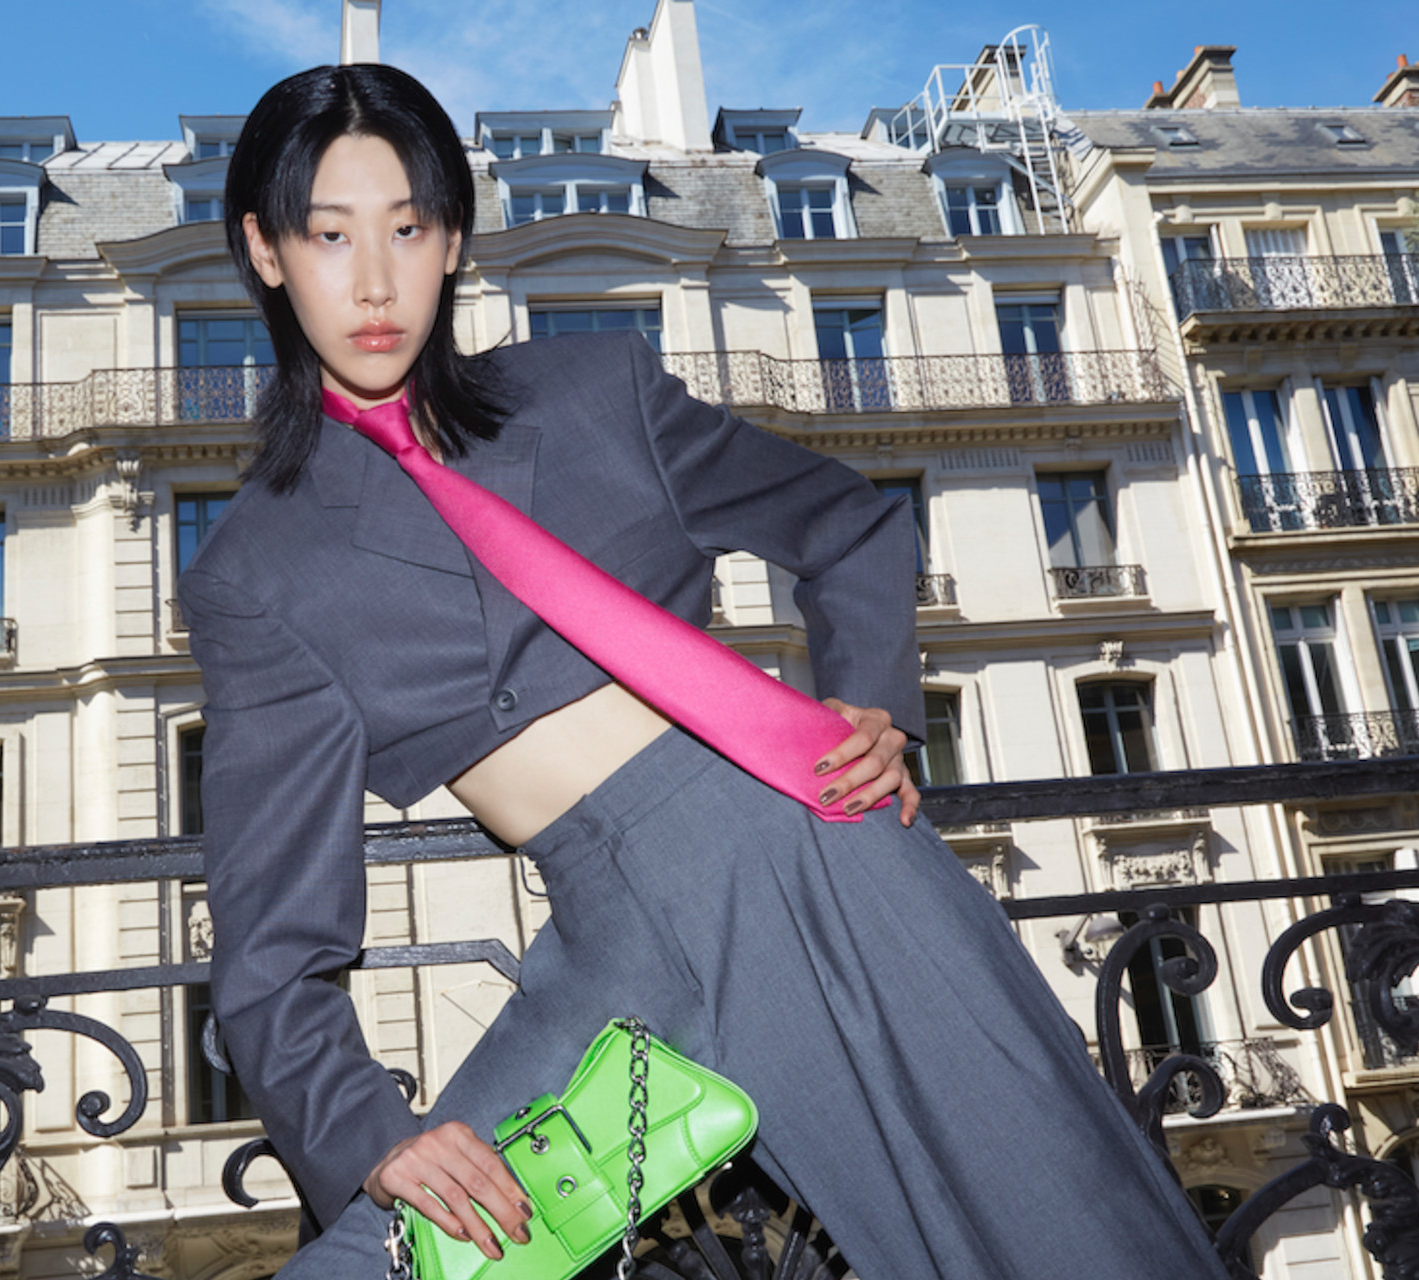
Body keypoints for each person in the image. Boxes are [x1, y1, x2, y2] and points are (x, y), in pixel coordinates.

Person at [181, 62, 1231, 1280]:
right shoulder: (254, 568)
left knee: (1062, 1222)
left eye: (408, 230)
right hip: (620, 942)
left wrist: (876, 705)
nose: (374, 283)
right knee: (384, 1265)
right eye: (329, 235)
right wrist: (365, 1128)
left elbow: (846, 523)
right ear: (265, 250)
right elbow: (269, 939)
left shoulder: (591, 392)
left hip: (830, 840)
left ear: (453, 239)